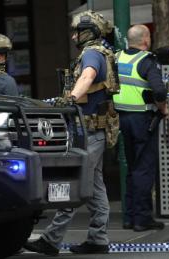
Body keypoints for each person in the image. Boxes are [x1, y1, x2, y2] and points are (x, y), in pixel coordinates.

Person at [23, 10, 118, 255]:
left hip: (89, 131)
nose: (74, 35)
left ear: (89, 32)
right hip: (93, 131)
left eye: (78, 30)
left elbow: (88, 76)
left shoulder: (92, 54)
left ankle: (52, 240)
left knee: (75, 183)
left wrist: (71, 98)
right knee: (95, 187)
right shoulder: (101, 52)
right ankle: (98, 239)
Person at [113, 25, 168, 232]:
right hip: (143, 121)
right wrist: (163, 109)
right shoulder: (147, 60)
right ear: (146, 40)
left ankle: (129, 217)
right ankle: (142, 219)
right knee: (144, 169)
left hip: (122, 119)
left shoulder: (118, 57)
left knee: (132, 168)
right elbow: (160, 91)